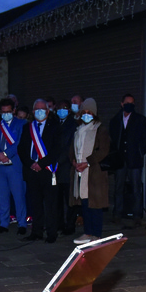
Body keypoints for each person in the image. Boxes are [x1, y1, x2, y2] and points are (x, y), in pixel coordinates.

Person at [17, 98, 62, 243]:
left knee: (50, 204)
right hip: (32, 171)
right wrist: (31, 163)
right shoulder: (27, 128)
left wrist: (41, 163)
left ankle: (51, 233)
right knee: (35, 203)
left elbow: (56, 150)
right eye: (37, 109)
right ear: (33, 111)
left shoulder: (55, 127)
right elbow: (22, 149)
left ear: (48, 112)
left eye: (43, 109)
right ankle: (36, 232)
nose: (40, 112)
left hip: (47, 170)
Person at [71, 98, 110, 244]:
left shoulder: (100, 129)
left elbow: (104, 150)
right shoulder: (78, 130)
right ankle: (87, 232)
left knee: (95, 203)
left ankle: (96, 234)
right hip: (80, 171)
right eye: (84, 112)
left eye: (89, 112)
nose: (86, 115)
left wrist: (87, 162)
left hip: (94, 172)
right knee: (84, 202)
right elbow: (72, 150)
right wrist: (74, 161)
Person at [0, 97, 28, 235]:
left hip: (14, 166)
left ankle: (22, 223)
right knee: (2, 197)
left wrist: (6, 154)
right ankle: (3, 223)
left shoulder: (22, 124)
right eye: (3, 112)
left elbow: (20, 142)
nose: (6, 114)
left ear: (14, 110)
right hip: (0, 167)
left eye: (8, 111)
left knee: (19, 196)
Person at [109, 93, 146, 226]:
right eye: (127, 103)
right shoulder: (116, 120)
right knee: (119, 187)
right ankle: (117, 213)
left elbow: (144, 139)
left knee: (136, 187)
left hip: (134, 159)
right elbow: (113, 139)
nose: (129, 106)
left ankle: (137, 215)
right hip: (120, 159)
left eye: (132, 103)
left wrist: (140, 151)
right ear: (121, 104)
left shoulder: (140, 120)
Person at [55, 99, 79, 235]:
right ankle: (59, 223)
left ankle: (70, 225)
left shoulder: (72, 125)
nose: (61, 111)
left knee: (69, 200)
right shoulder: (54, 123)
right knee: (57, 199)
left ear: (69, 110)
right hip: (55, 169)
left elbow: (69, 147)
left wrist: (58, 160)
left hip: (66, 167)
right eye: (59, 108)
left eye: (64, 108)